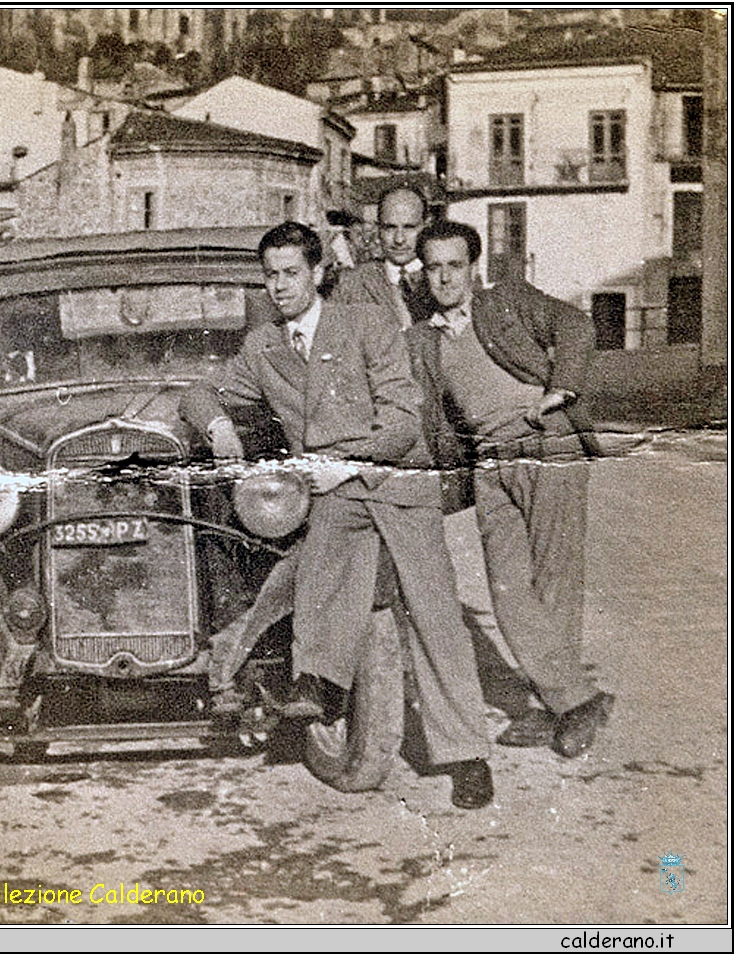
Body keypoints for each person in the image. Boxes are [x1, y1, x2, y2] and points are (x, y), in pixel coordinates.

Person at [180, 222, 495, 809]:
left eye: (291, 273)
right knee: (321, 561)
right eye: (270, 276)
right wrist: (218, 423)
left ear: (319, 272)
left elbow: (403, 421)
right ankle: (319, 686)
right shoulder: (264, 347)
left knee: (434, 617)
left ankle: (468, 757)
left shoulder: (367, 324)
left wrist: (343, 463)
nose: (279, 287)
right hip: (333, 493)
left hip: (394, 480)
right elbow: (201, 392)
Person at [409, 220, 614, 757]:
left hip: (549, 448)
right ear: (422, 272)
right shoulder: (422, 340)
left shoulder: (506, 301)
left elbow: (575, 325)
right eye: (433, 267)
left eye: (455, 265)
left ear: (473, 268)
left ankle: (556, 709)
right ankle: (574, 700)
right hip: (489, 465)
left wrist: (560, 389)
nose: (444, 277)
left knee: (554, 584)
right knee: (506, 591)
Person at [331, 185, 437, 329]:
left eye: (409, 227)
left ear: (426, 226)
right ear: (379, 228)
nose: (399, 239)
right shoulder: (350, 283)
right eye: (390, 228)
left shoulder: (445, 277)